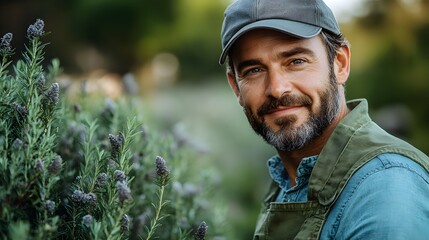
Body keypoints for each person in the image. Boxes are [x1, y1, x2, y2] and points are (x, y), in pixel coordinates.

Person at [218, 0, 429, 239]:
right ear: (236, 87)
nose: (277, 88)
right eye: (254, 70)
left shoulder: (386, 189)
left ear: (340, 63)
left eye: (296, 61)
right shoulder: (289, 180)